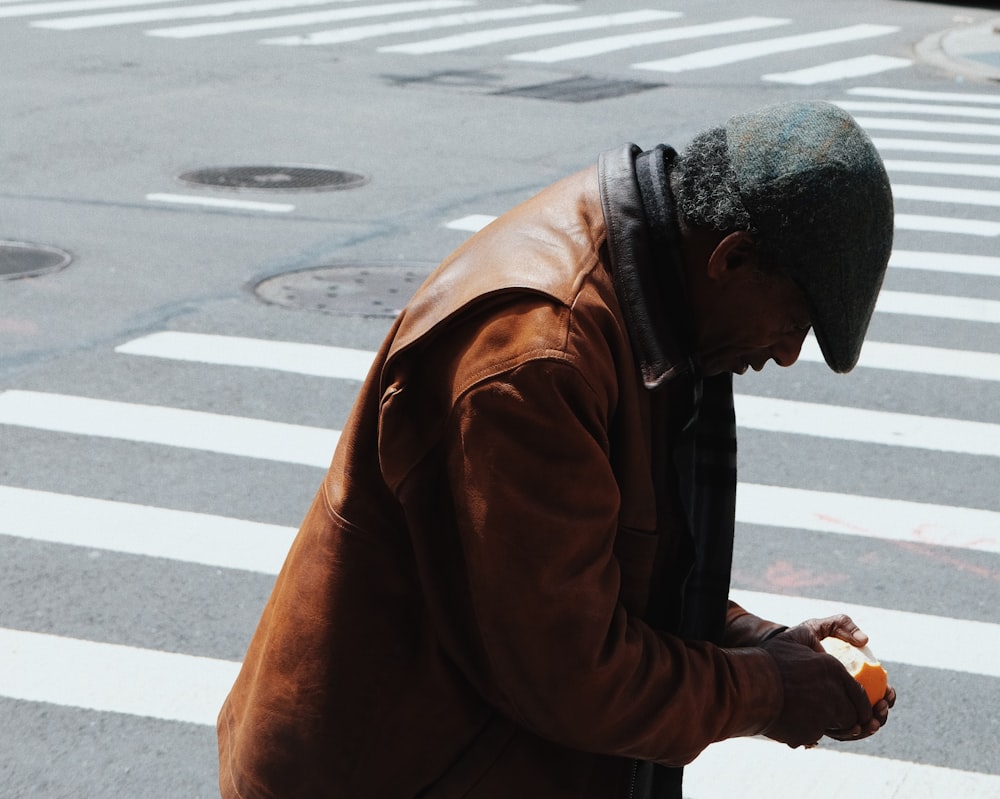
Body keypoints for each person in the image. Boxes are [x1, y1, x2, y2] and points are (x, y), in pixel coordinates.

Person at [217, 100, 896, 799]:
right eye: (793, 322)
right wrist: (769, 688)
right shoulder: (540, 355)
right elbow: (572, 669)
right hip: (387, 774)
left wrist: (760, 641)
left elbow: (588, 575)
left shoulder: (655, 290)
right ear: (733, 258)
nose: (786, 353)